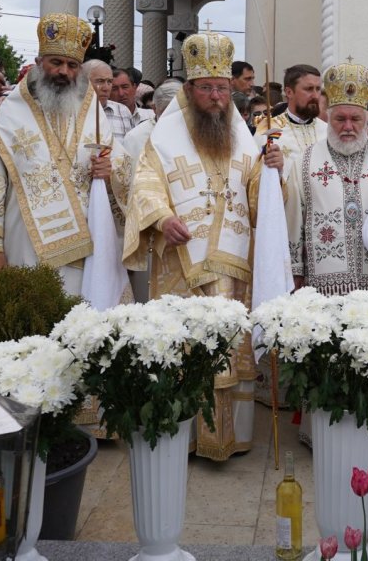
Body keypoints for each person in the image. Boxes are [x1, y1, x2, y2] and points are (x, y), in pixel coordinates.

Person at [123, 31, 275, 459]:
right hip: (180, 262)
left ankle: (230, 438)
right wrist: (162, 218)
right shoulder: (164, 136)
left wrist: (275, 172)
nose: (215, 96)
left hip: (233, 262)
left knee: (229, 345)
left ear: (231, 92)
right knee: (187, 345)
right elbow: (146, 183)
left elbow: (259, 190)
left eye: (222, 88)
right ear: (189, 90)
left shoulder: (242, 135)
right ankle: (186, 437)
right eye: (206, 87)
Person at [284, 59, 368, 447]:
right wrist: (296, 273)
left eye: (355, 120)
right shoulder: (306, 160)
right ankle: (322, 433)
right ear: (328, 114)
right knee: (328, 358)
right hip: (324, 283)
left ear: (366, 118)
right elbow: (294, 219)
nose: (347, 127)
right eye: (340, 118)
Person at [0, 14, 131, 298]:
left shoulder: (92, 112)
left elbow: (122, 165)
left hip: (87, 245)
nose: (64, 71)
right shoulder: (11, 114)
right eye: (56, 62)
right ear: (40, 63)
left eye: (72, 65)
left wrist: (110, 169)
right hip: (26, 244)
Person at [258, 64, 327, 156]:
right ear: (289, 92)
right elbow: (256, 168)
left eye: (318, 89)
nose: (315, 95)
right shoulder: (268, 131)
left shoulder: (327, 131)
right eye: (309, 89)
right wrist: (278, 169)